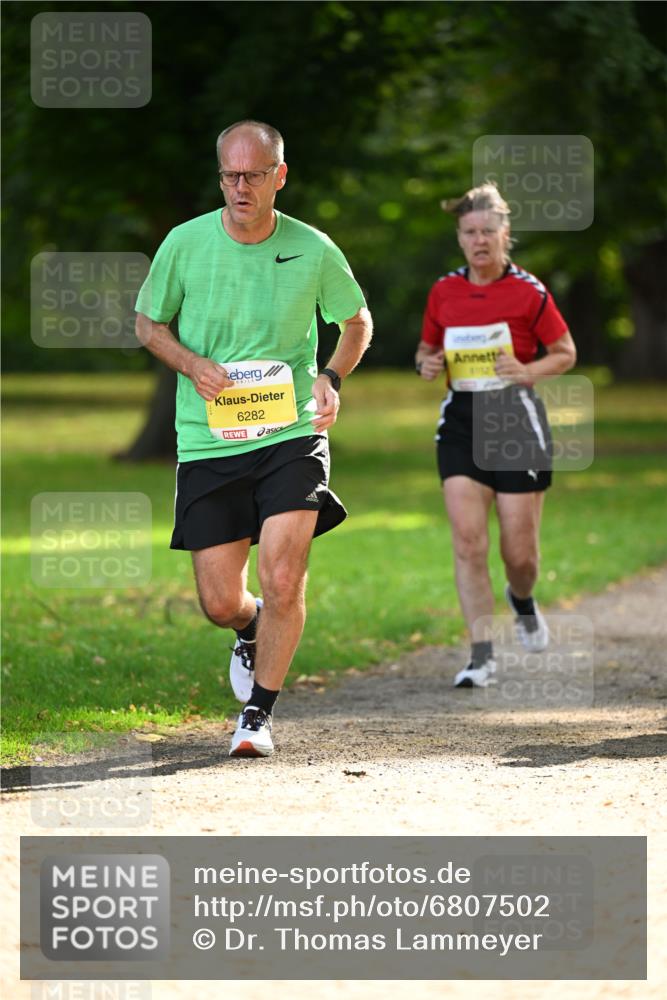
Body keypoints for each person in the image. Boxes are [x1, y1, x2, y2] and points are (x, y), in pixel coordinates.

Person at [135, 120, 372, 755]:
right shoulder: (184, 244)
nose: (240, 187)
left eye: (253, 175)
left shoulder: (314, 249)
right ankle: (251, 626)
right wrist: (192, 364)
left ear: (280, 176)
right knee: (219, 601)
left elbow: (356, 321)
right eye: (229, 176)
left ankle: (257, 717)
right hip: (210, 441)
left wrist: (330, 376)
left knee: (284, 572)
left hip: (291, 431)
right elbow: (148, 324)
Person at [415, 183, 576, 688]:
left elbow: (566, 352)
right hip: (461, 420)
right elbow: (424, 351)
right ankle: (481, 654)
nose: (479, 240)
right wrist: (427, 363)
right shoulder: (444, 291)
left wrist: (527, 371)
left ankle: (522, 598)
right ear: (460, 238)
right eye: (469, 232)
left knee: (519, 554)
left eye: (488, 231)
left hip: (514, 422)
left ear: (505, 234)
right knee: (467, 541)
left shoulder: (529, 291)